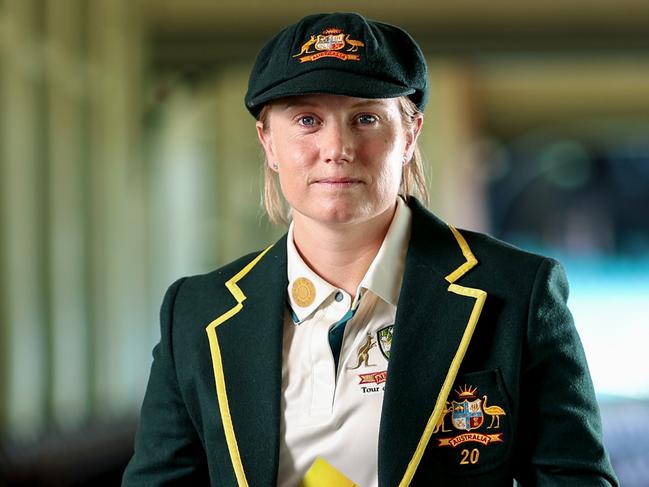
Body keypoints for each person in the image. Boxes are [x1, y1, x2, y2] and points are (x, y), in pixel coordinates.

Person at [122, 12, 618, 487]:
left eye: (365, 119)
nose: (337, 147)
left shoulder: (515, 294)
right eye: (307, 121)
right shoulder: (196, 313)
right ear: (268, 142)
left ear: (409, 136)